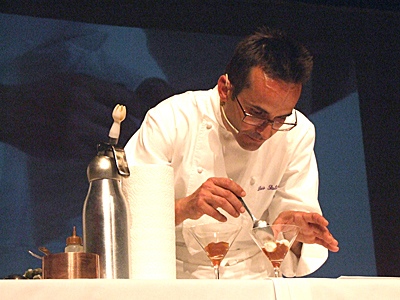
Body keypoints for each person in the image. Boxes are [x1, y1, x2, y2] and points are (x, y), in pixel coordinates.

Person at [124, 27, 339, 279]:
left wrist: (296, 232)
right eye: (256, 113)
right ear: (225, 89)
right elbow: (127, 216)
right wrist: (186, 207)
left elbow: (292, 226)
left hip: (256, 276)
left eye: (280, 118)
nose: (266, 131)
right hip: (174, 275)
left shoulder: (297, 131)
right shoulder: (171, 120)